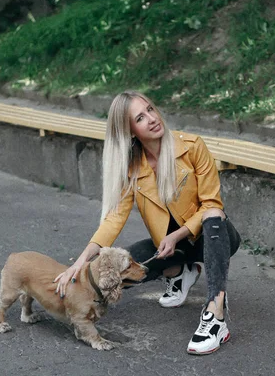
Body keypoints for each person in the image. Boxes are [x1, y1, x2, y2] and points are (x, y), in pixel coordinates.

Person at [55, 90, 241, 355]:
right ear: (130, 131)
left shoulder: (192, 146)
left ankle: (215, 315)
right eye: (140, 118)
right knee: (125, 266)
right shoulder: (132, 168)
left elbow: (212, 204)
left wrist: (177, 236)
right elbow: (114, 219)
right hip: (170, 248)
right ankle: (178, 272)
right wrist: (79, 262)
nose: (152, 119)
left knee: (213, 216)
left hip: (214, 238)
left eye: (150, 110)